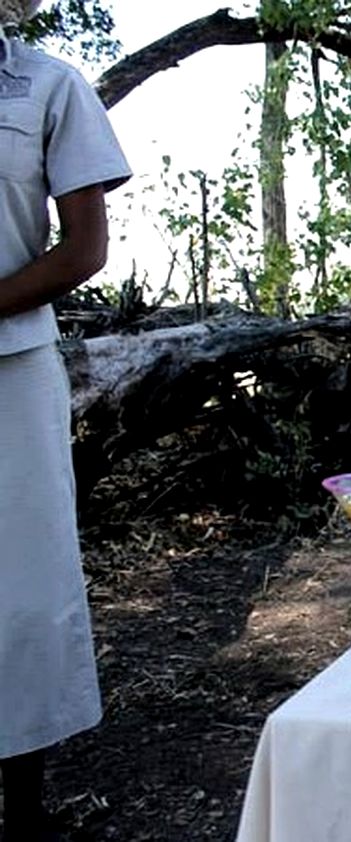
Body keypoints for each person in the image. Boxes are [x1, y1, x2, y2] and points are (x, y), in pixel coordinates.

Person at [0, 2, 130, 840]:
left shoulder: (47, 86)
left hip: (11, 368)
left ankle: (25, 809)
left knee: (24, 581)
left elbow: (84, 250)